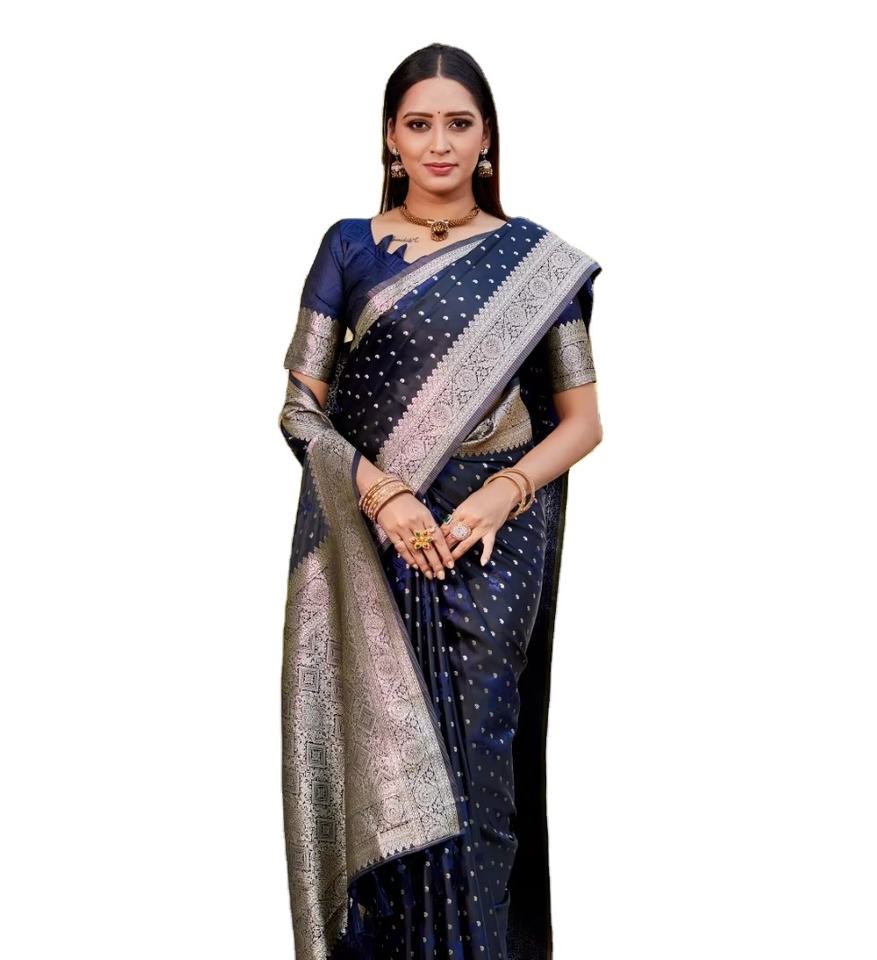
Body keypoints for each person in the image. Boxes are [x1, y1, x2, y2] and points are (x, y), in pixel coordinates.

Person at [278, 42, 603, 960]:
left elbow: (582, 422)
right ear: (391, 137)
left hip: (492, 539)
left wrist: (503, 495)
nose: (439, 143)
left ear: (487, 137)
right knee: (385, 769)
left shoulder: (534, 261)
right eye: (419, 124)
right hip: (378, 539)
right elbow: (300, 408)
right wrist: (384, 498)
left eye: (459, 124)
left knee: (480, 774)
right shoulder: (349, 246)